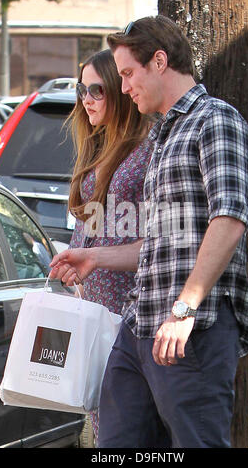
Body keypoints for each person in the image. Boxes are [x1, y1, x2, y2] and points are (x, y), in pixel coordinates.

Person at [50, 16, 248, 448]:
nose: (124, 87)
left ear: (159, 61)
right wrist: (95, 257)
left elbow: (229, 218)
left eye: (127, 73)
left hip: (190, 330)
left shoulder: (214, 120)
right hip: (140, 320)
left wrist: (184, 310)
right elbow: (161, 243)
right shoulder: (166, 133)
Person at [58, 48, 152, 442]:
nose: (86, 99)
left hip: (128, 312)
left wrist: (93, 258)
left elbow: (157, 239)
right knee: (104, 429)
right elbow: (92, 226)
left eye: (97, 89)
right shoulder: (100, 145)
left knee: (126, 432)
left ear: (120, 88)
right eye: (82, 89)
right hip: (94, 309)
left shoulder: (147, 150)